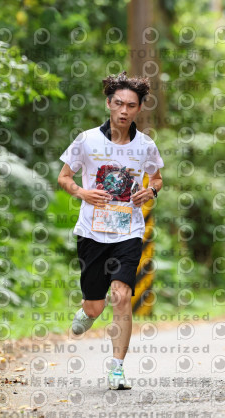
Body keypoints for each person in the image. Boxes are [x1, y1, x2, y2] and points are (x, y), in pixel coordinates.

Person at [57, 71, 164, 390]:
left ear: (139, 108)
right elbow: (64, 177)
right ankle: (88, 311)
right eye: (118, 103)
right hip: (91, 233)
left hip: (128, 232)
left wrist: (151, 191)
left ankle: (117, 368)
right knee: (96, 304)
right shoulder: (87, 140)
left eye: (131, 105)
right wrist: (83, 192)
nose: (123, 111)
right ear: (108, 103)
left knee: (121, 295)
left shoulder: (145, 146)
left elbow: (158, 179)